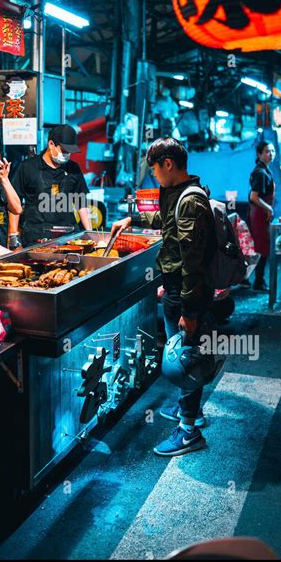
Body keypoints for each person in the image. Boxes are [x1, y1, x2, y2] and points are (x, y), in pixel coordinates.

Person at [111, 137, 216, 457]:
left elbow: (193, 264)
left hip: (186, 295)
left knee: (185, 359)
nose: (154, 175)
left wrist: (190, 309)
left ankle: (189, 431)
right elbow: (166, 226)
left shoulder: (189, 201)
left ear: (168, 164)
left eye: (155, 169)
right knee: (183, 356)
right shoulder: (182, 194)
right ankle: (191, 412)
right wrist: (133, 219)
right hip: (176, 290)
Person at [10, 124, 92, 248]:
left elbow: (82, 205)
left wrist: (90, 235)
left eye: (69, 152)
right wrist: (13, 237)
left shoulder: (73, 169)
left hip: (68, 238)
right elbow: (14, 204)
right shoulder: (27, 167)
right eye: (64, 150)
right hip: (35, 238)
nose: (67, 155)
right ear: (51, 144)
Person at [247, 141, 276, 292]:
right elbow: (254, 197)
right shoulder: (260, 173)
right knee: (261, 248)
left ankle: (254, 280)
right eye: (267, 151)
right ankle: (257, 281)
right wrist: (269, 208)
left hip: (261, 214)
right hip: (258, 215)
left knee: (262, 248)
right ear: (259, 154)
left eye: (272, 150)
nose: (271, 154)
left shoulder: (264, 170)